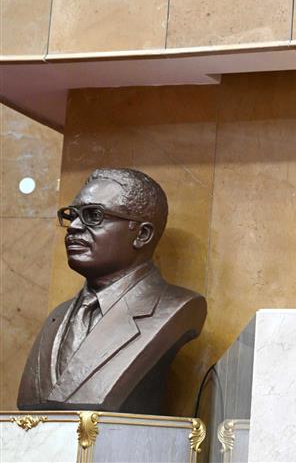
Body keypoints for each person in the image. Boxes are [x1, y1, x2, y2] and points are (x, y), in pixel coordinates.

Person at [18, 168, 206, 414]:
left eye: (93, 215)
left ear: (142, 234)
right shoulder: (57, 317)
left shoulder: (176, 307)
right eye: (72, 215)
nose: (73, 226)